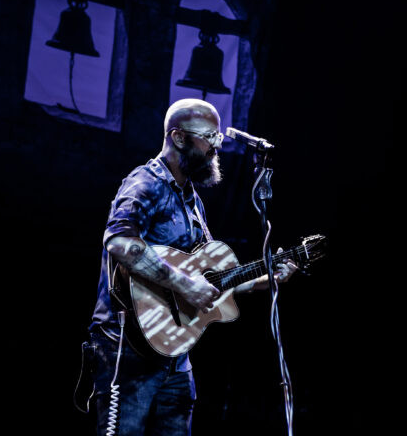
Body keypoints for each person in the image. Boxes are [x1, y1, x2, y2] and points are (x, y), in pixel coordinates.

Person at [88, 99, 297, 436]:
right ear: (179, 137)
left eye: (218, 137)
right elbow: (119, 243)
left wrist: (262, 279)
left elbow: (206, 280)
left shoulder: (193, 200)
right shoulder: (145, 184)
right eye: (209, 137)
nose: (218, 146)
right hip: (129, 353)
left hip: (174, 354)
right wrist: (184, 285)